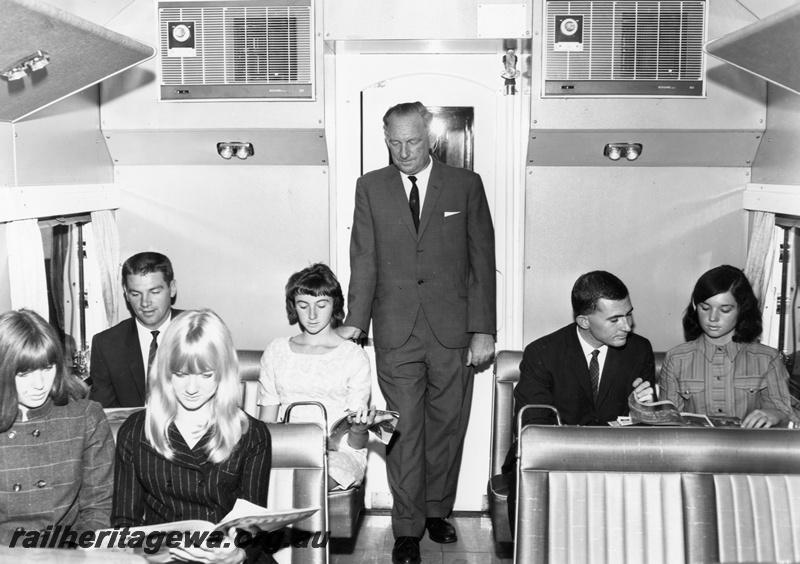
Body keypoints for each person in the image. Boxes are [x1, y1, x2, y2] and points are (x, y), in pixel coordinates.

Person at [337, 101, 497, 564]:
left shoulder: (466, 185)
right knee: (402, 430)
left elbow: (481, 262)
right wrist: (354, 322)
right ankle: (406, 527)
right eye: (394, 142)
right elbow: (363, 259)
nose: (403, 151)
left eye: (412, 142)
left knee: (447, 427)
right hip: (396, 329)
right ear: (384, 138)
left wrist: (482, 330)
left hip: (454, 332)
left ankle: (437, 512)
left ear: (430, 138)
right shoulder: (370, 187)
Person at [113, 309, 272, 564]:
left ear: (224, 372)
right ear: (165, 371)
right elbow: (124, 523)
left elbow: (252, 525)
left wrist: (238, 554)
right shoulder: (135, 431)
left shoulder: (252, 435)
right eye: (180, 374)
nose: (191, 389)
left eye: (205, 375)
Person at [503, 271, 656, 537]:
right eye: (615, 319)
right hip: (555, 456)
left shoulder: (639, 350)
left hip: (615, 456)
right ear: (584, 321)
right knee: (526, 470)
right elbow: (534, 428)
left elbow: (643, 427)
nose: (627, 326)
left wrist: (645, 409)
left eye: (628, 314)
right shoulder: (542, 353)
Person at [258, 263, 391, 491]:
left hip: (337, 454)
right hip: (286, 449)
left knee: (308, 486)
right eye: (303, 305)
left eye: (321, 305)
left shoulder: (353, 356)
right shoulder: (276, 351)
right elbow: (266, 424)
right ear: (293, 307)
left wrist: (360, 429)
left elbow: (354, 443)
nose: (312, 315)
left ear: (334, 306)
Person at [0, 309, 114, 546]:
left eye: (47, 368)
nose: (39, 384)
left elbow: (98, 507)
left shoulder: (85, 418)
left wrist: (79, 554)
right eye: (24, 373)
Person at [660, 265, 796, 428]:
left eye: (725, 310)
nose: (712, 317)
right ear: (695, 306)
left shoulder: (767, 359)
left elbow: (786, 414)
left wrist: (776, 415)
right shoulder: (676, 359)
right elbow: (668, 425)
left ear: (742, 310)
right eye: (705, 307)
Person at [90, 251, 183, 407]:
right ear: (126, 294)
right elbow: (104, 413)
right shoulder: (106, 344)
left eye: (154, 292)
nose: (145, 302)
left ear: (172, 288)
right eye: (135, 294)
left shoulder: (199, 330)